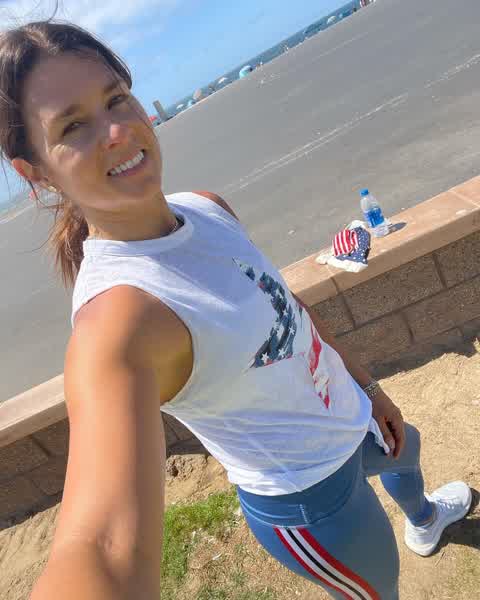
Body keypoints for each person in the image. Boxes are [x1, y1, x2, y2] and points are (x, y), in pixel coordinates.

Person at [1, 18, 472, 600]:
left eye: (116, 98)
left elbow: (287, 307)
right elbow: (102, 549)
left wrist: (369, 387)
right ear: (36, 173)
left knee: (409, 452)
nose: (116, 131)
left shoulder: (205, 208)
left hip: (352, 415)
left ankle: (424, 521)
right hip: (313, 502)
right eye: (73, 126)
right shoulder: (120, 320)